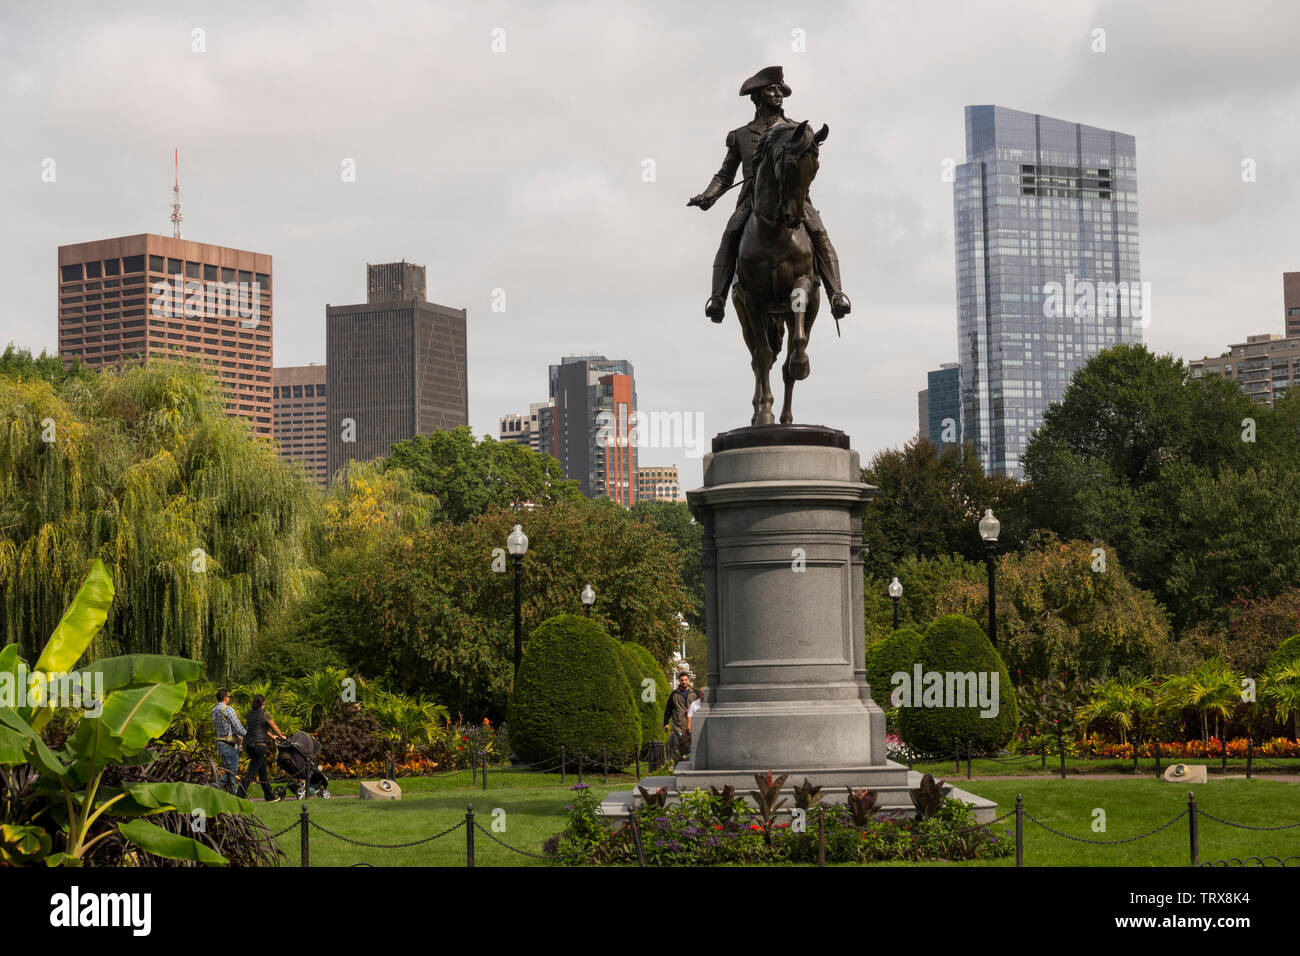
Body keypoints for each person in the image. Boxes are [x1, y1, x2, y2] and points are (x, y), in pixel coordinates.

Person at [688, 65, 850, 323]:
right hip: (753, 200)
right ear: (757, 96)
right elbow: (725, 175)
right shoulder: (740, 135)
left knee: (818, 232)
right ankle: (717, 298)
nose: (777, 94)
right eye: (771, 90)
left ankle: (836, 294)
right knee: (730, 234)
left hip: (791, 198)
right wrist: (709, 196)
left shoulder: (797, 129)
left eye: (780, 91)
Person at [237, 694, 285, 802]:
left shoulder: (250, 714)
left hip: (249, 745)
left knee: (262, 772)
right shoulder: (265, 714)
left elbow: (257, 728)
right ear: (264, 703)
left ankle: (269, 797)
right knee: (251, 772)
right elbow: (274, 727)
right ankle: (239, 795)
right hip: (259, 745)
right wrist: (281, 736)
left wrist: (271, 736)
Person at [211, 688, 246, 794]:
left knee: (228, 768)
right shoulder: (228, 709)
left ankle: (228, 790)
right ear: (225, 697)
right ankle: (216, 786)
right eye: (229, 696)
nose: (229, 698)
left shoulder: (214, 710)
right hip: (229, 743)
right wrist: (249, 735)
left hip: (220, 742)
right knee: (232, 770)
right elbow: (238, 727)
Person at [662, 671, 700, 763]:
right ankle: (676, 766)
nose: (684, 682)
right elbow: (668, 709)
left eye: (685, 680)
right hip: (678, 725)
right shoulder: (674, 694)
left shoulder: (695, 693)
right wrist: (666, 723)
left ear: (689, 680)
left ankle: (689, 765)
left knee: (691, 748)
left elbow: (701, 706)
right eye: (682, 680)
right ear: (679, 681)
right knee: (676, 748)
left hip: (692, 726)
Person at [685, 686, 706, 757]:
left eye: (705, 694)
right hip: (697, 729)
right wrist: (689, 729)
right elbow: (689, 717)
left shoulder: (711, 704)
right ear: (699, 694)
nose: (703, 696)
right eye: (702, 694)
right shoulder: (694, 704)